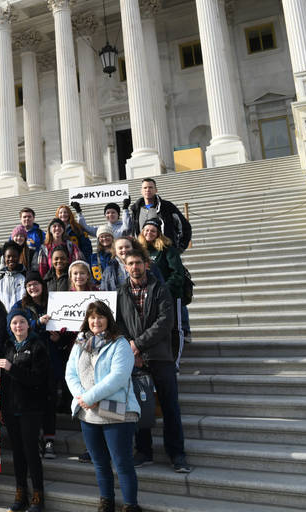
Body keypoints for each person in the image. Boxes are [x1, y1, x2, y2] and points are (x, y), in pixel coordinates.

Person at [115, 250, 191, 474]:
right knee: (139, 406)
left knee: (170, 406)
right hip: (134, 359)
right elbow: (118, 324)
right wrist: (131, 347)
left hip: (160, 356)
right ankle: (144, 451)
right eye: (131, 263)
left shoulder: (160, 289)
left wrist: (137, 344)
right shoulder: (120, 292)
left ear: (146, 264)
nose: (135, 266)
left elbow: (165, 322)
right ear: (126, 267)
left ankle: (177, 453)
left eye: (139, 262)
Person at [65, 301, 142, 512]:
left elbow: (118, 376)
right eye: (91, 317)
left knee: (122, 463)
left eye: (100, 317)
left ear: (108, 319)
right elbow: (70, 373)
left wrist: (91, 396)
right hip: (88, 411)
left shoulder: (120, 343)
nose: (95, 321)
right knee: (99, 462)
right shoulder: (80, 342)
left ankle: (130, 505)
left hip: (116, 410)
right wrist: (83, 398)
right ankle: (106, 501)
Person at [0, 308, 49, 512]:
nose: (18, 326)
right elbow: (2, 381)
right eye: (14, 323)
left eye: (21, 322)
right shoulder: (7, 346)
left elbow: (38, 379)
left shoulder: (38, 346)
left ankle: (38, 495)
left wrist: (12, 368)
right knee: (17, 452)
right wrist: (1, 406)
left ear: (28, 324)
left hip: (30, 408)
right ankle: (21, 493)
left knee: (30, 452)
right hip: (11, 408)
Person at [15, 272, 58, 460]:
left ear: (42, 285)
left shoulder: (54, 302)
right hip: (30, 361)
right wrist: (36, 323)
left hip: (52, 358)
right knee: (33, 402)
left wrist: (59, 338)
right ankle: (35, 439)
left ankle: (49, 440)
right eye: (29, 285)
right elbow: (14, 327)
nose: (33, 288)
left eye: (36, 284)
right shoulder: (20, 306)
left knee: (50, 400)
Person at [138, 218, 190, 351]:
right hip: (149, 296)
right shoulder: (139, 250)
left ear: (158, 233)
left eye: (153, 231)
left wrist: (165, 289)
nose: (149, 233)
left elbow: (177, 273)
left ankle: (175, 360)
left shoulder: (167, 249)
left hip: (170, 294)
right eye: (147, 230)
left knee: (173, 327)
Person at [127, 177, 192, 252]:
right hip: (143, 250)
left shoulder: (167, 206)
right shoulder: (136, 209)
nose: (147, 190)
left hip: (164, 250)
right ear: (141, 191)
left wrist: (180, 247)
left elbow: (184, 226)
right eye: (145, 188)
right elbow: (133, 231)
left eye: (150, 187)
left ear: (156, 190)